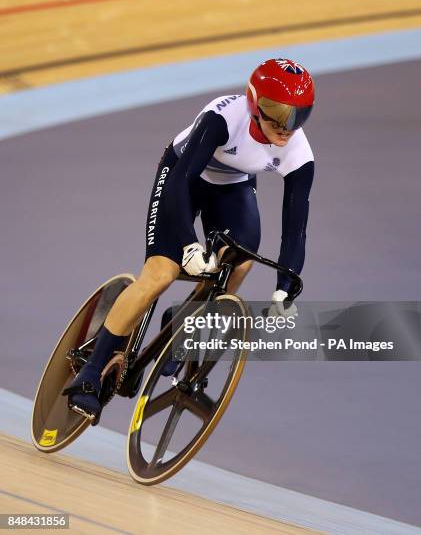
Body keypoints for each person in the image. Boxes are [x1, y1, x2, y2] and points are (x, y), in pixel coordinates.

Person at [63, 58, 315, 418]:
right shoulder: (223, 118)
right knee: (161, 274)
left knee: (239, 259)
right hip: (183, 177)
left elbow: (296, 226)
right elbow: (180, 183)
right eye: (278, 113)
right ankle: (91, 371)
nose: (287, 127)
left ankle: (184, 316)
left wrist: (286, 285)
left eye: (299, 115)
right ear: (254, 101)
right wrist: (188, 243)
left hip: (233, 187)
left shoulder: (299, 151)